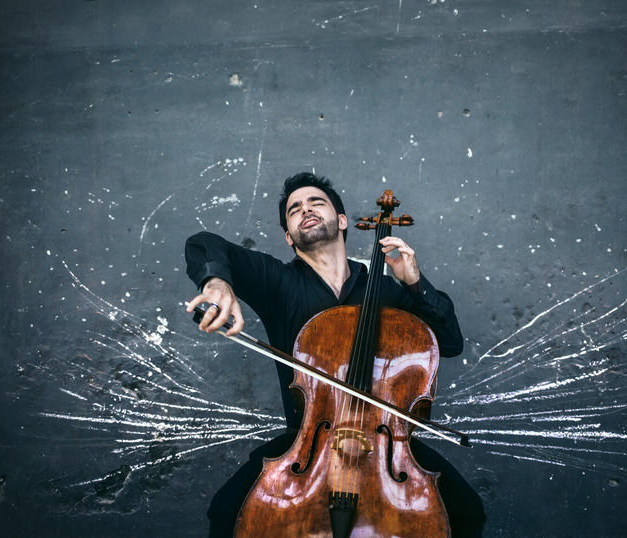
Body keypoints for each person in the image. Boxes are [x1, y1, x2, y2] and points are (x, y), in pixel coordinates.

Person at [185, 172, 485, 537]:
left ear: (342, 221)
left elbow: (451, 343)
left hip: (389, 447)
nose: (305, 209)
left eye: (316, 202)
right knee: (226, 512)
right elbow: (204, 243)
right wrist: (217, 283)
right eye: (294, 209)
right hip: (310, 442)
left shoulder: (389, 293)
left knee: (467, 514)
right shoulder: (277, 282)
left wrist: (414, 283)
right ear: (288, 235)